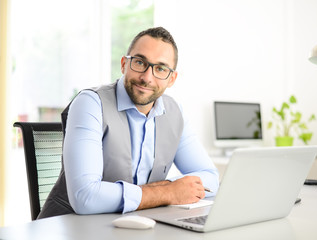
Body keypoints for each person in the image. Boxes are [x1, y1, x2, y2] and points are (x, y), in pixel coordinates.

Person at [37, 27, 219, 219]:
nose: (147, 78)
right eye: (140, 62)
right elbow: (85, 197)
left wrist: (165, 190)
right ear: (124, 64)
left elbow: (211, 177)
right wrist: (169, 192)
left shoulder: (174, 113)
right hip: (68, 227)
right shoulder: (90, 103)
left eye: (160, 69)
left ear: (171, 78)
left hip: (132, 226)